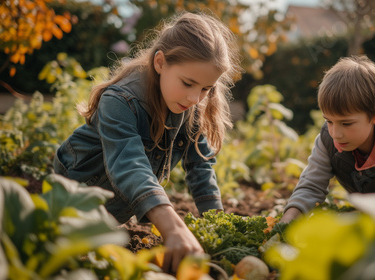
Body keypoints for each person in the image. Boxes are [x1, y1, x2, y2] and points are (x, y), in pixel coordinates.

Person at [53, 12, 242, 273]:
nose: (194, 98)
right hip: (75, 198)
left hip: (117, 206)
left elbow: (200, 167)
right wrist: (173, 227)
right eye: (188, 83)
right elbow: (129, 164)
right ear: (160, 62)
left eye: (205, 89)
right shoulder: (119, 101)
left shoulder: (190, 107)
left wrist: (217, 225)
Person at [281, 55, 375, 223]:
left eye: (346, 123)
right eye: (329, 121)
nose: (336, 133)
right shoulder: (327, 141)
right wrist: (286, 223)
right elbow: (311, 187)